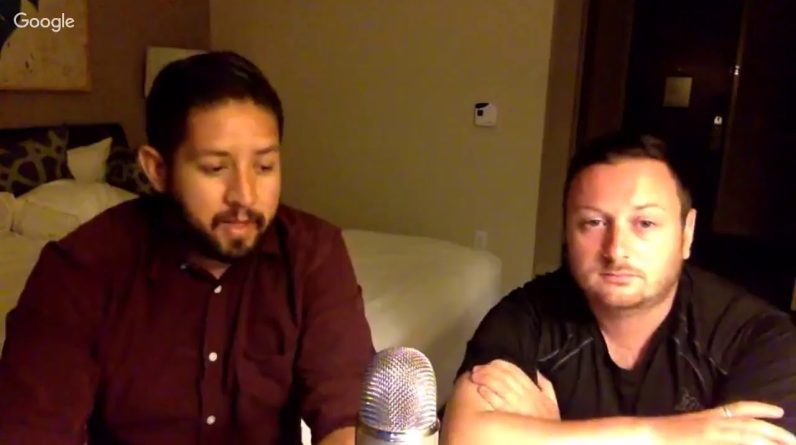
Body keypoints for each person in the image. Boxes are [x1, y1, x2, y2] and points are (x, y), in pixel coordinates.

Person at [0, 51, 374, 445]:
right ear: (158, 170)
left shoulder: (312, 253)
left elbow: (345, 410)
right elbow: (33, 426)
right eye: (215, 168)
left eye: (264, 167)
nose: (245, 195)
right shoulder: (79, 269)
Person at [442, 133, 796, 445]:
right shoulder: (526, 317)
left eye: (645, 223)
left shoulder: (758, 336)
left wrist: (553, 433)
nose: (615, 249)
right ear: (567, 232)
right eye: (593, 222)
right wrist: (668, 435)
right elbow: (462, 437)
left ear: (686, 233)